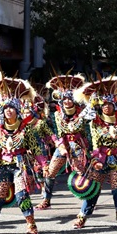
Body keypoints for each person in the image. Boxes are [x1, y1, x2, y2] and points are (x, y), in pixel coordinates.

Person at [0, 76, 44, 234]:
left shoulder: (25, 129)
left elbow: (36, 148)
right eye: (5, 108)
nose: (8, 110)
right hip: (2, 166)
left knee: (21, 195)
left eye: (12, 108)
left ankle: (31, 224)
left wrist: (44, 164)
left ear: (17, 110)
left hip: (20, 164)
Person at [75, 76, 117, 230]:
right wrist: (96, 159)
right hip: (99, 160)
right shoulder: (94, 121)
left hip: (116, 160)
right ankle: (82, 217)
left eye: (109, 104)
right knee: (93, 190)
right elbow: (87, 137)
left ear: (115, 105)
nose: (106, 107)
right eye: (103, 104)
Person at [36, 74, 87, 210]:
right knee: (50, 172)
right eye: (64, 99)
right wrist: (61, 145)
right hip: (63, 145)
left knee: (82, 172)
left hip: (78, 144)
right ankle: (46, 199)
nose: (67, 102)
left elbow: (83, 131)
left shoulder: (82, 113)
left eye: (69, 99)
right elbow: (60, 132)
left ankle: (88, 199)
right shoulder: (58, 114)